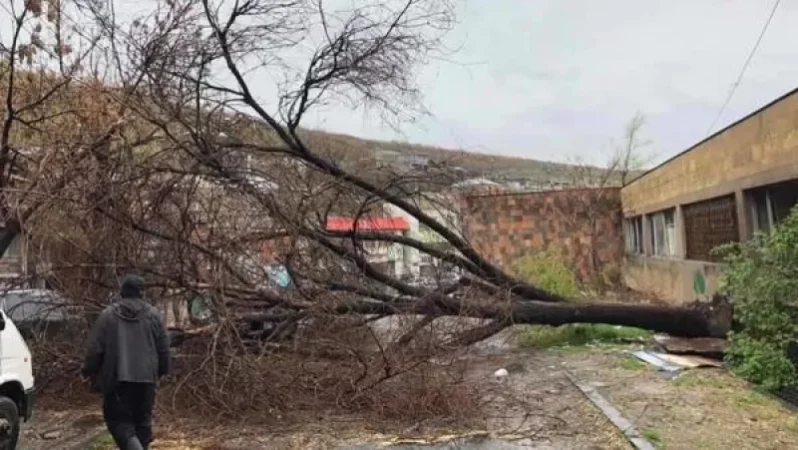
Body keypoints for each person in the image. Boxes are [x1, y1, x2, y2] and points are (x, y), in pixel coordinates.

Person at [82, 274, 171, 450]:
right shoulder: (154, 316)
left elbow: (94, 350)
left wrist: (89, 372)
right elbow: (164, 349)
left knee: (119, 423)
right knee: (142, 424)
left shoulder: (108, 316)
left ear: (122, 292)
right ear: (142, 293)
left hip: (118, 382)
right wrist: (160, 372)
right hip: (147, 381)